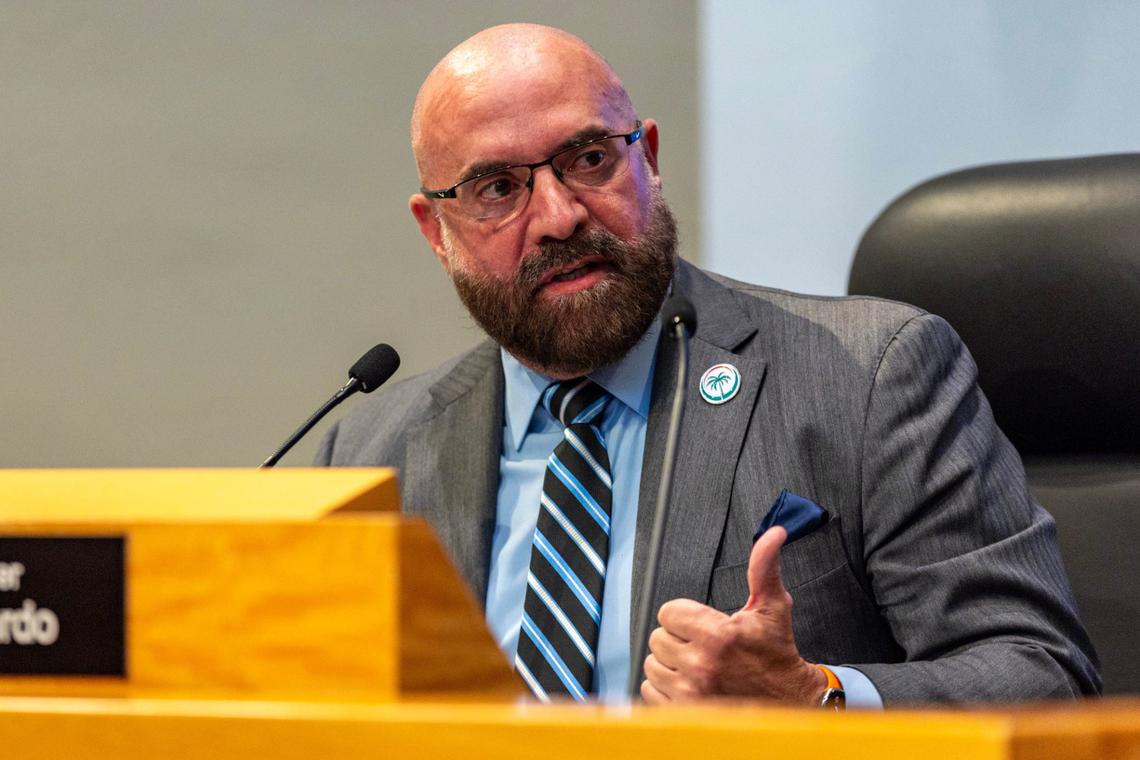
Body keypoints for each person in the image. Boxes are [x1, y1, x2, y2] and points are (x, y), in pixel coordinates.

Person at [316, 23, 1100, 706]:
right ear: (435, 229)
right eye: (497, 188)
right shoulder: (365, 458)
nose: (558, 217)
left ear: (647, 159)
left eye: (589, 159)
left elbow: (1042, 675)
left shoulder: (870, 377)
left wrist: (815, 696)